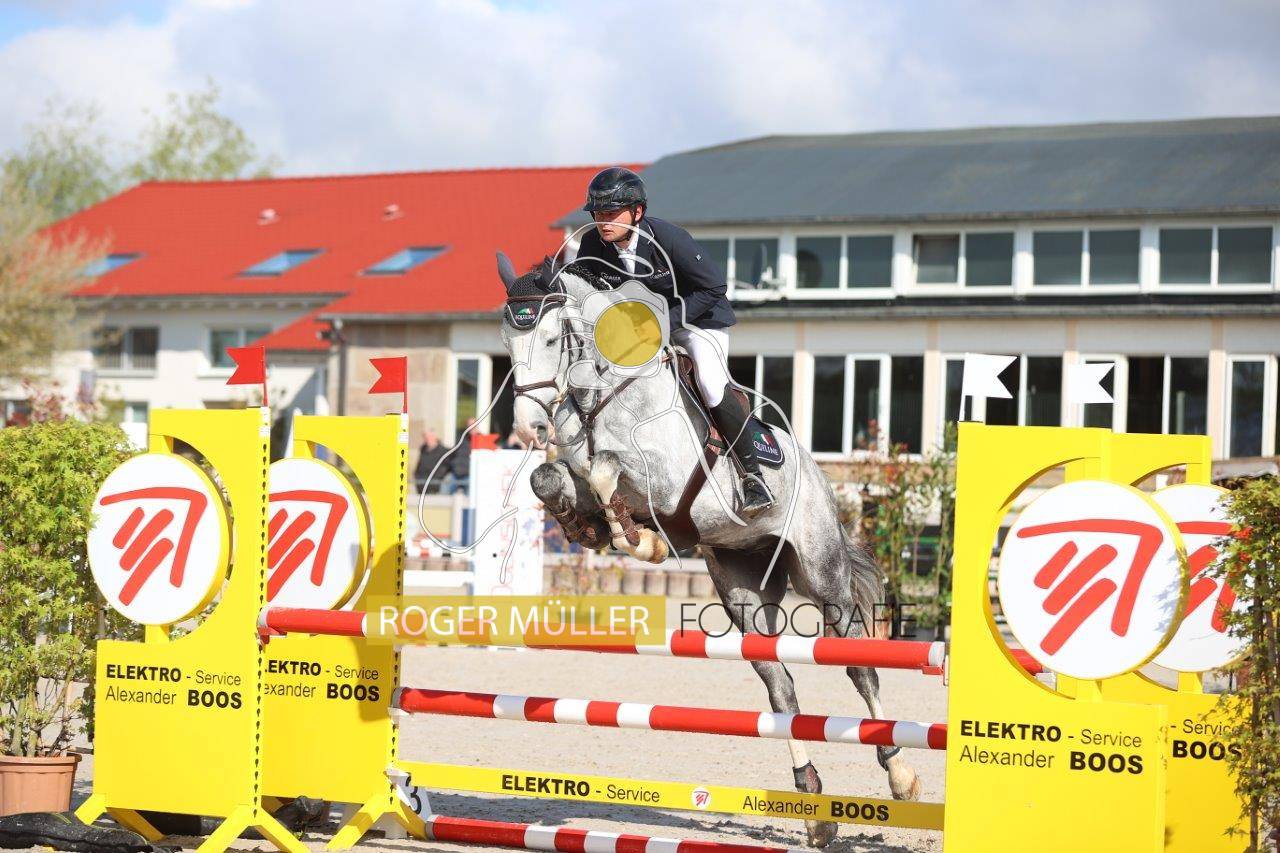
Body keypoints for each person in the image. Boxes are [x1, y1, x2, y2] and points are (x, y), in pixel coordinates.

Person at [571, 166, 774, 516]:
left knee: (710, 384)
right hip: (639, 328)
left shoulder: (669, 239)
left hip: (697, 322)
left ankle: (752, 477)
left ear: (637, 212)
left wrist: (665, 324)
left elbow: (713, 287)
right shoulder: (592, 245)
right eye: (598, 214)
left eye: (611, 213)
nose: (603, 221)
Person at [413, 428, 450, 494]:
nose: (427, 439)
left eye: (429, 437)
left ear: (435, 437)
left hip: (435, 485)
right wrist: (417, 477)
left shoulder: (443, 451)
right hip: (421, 485)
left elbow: (445, 469)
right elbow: (418, 467)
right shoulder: (423, 450)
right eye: (425, 437)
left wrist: (434, 480)